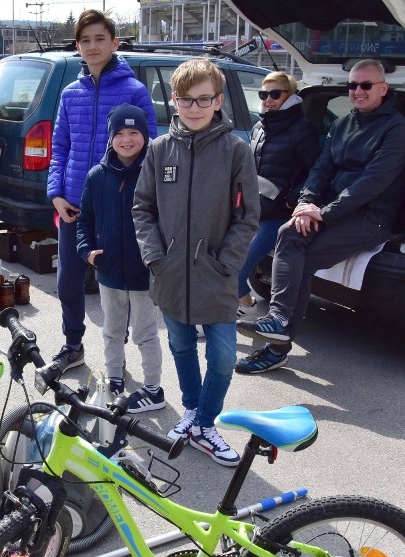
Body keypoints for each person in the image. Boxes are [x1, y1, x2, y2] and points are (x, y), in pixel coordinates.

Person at [237, 60, 405, 362]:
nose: (357, 91)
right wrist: (306, 203)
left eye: (366, 85)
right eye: (352, 85)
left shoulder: (396, 129)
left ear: (383, 89)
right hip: (332, 210)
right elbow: (321, 168)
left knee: (300, 258)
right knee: (288, 232)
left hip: (371, 218)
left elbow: (372, 183)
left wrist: (323, 213)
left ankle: (277, 344)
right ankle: (278, 321)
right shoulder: (344, 124)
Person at [133, 59, 259, 466]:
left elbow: (248, 217)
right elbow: (142, 209)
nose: (195, 107)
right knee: (181, 346)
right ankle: (191, 412)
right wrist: (155, 257)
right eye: (186, 99)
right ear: (174, 100)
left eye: (204, 99)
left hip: (216, 276)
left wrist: (227, 262)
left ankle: (206, 423)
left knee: (222, 356)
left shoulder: (236, 150)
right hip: (169, 274)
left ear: (218, 100)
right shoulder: (158, 149)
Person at [47, 9, 157, 373]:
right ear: (77, 46)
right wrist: (56, 194)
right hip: (74, 205)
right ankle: (72, 344)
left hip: (119, 205)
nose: (92, 46)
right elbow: (59, 146)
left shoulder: (134, 91)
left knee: (117, 285)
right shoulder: (69, 93)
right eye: (85, 40)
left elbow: (150, 146)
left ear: (114, 43)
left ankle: (116, 349)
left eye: (99, 38)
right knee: (68, 281)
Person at [76, 104, 165, 412]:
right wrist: (87, 251)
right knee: (112, 329)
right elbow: (84, 220)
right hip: (109, 270)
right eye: (120, 133)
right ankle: (115, 377)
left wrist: (161, 258)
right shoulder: (97, 176)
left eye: (135, 133)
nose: (127, 140)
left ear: (146, 136)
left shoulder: (156, 173)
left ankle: (153, 387)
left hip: (145, 273)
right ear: (110, 138)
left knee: (146, 332)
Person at [233, 72, 320, 374]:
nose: (267, 100)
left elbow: (317, 172)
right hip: (254, 211)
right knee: (228, 260)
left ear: (291, 96)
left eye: (275, 94)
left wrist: (291, 199)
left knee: (237, 265)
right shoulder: (260, 126)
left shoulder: (302, 130)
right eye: (263, 94)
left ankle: (230, 314)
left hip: (281, 216)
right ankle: (243, 301)